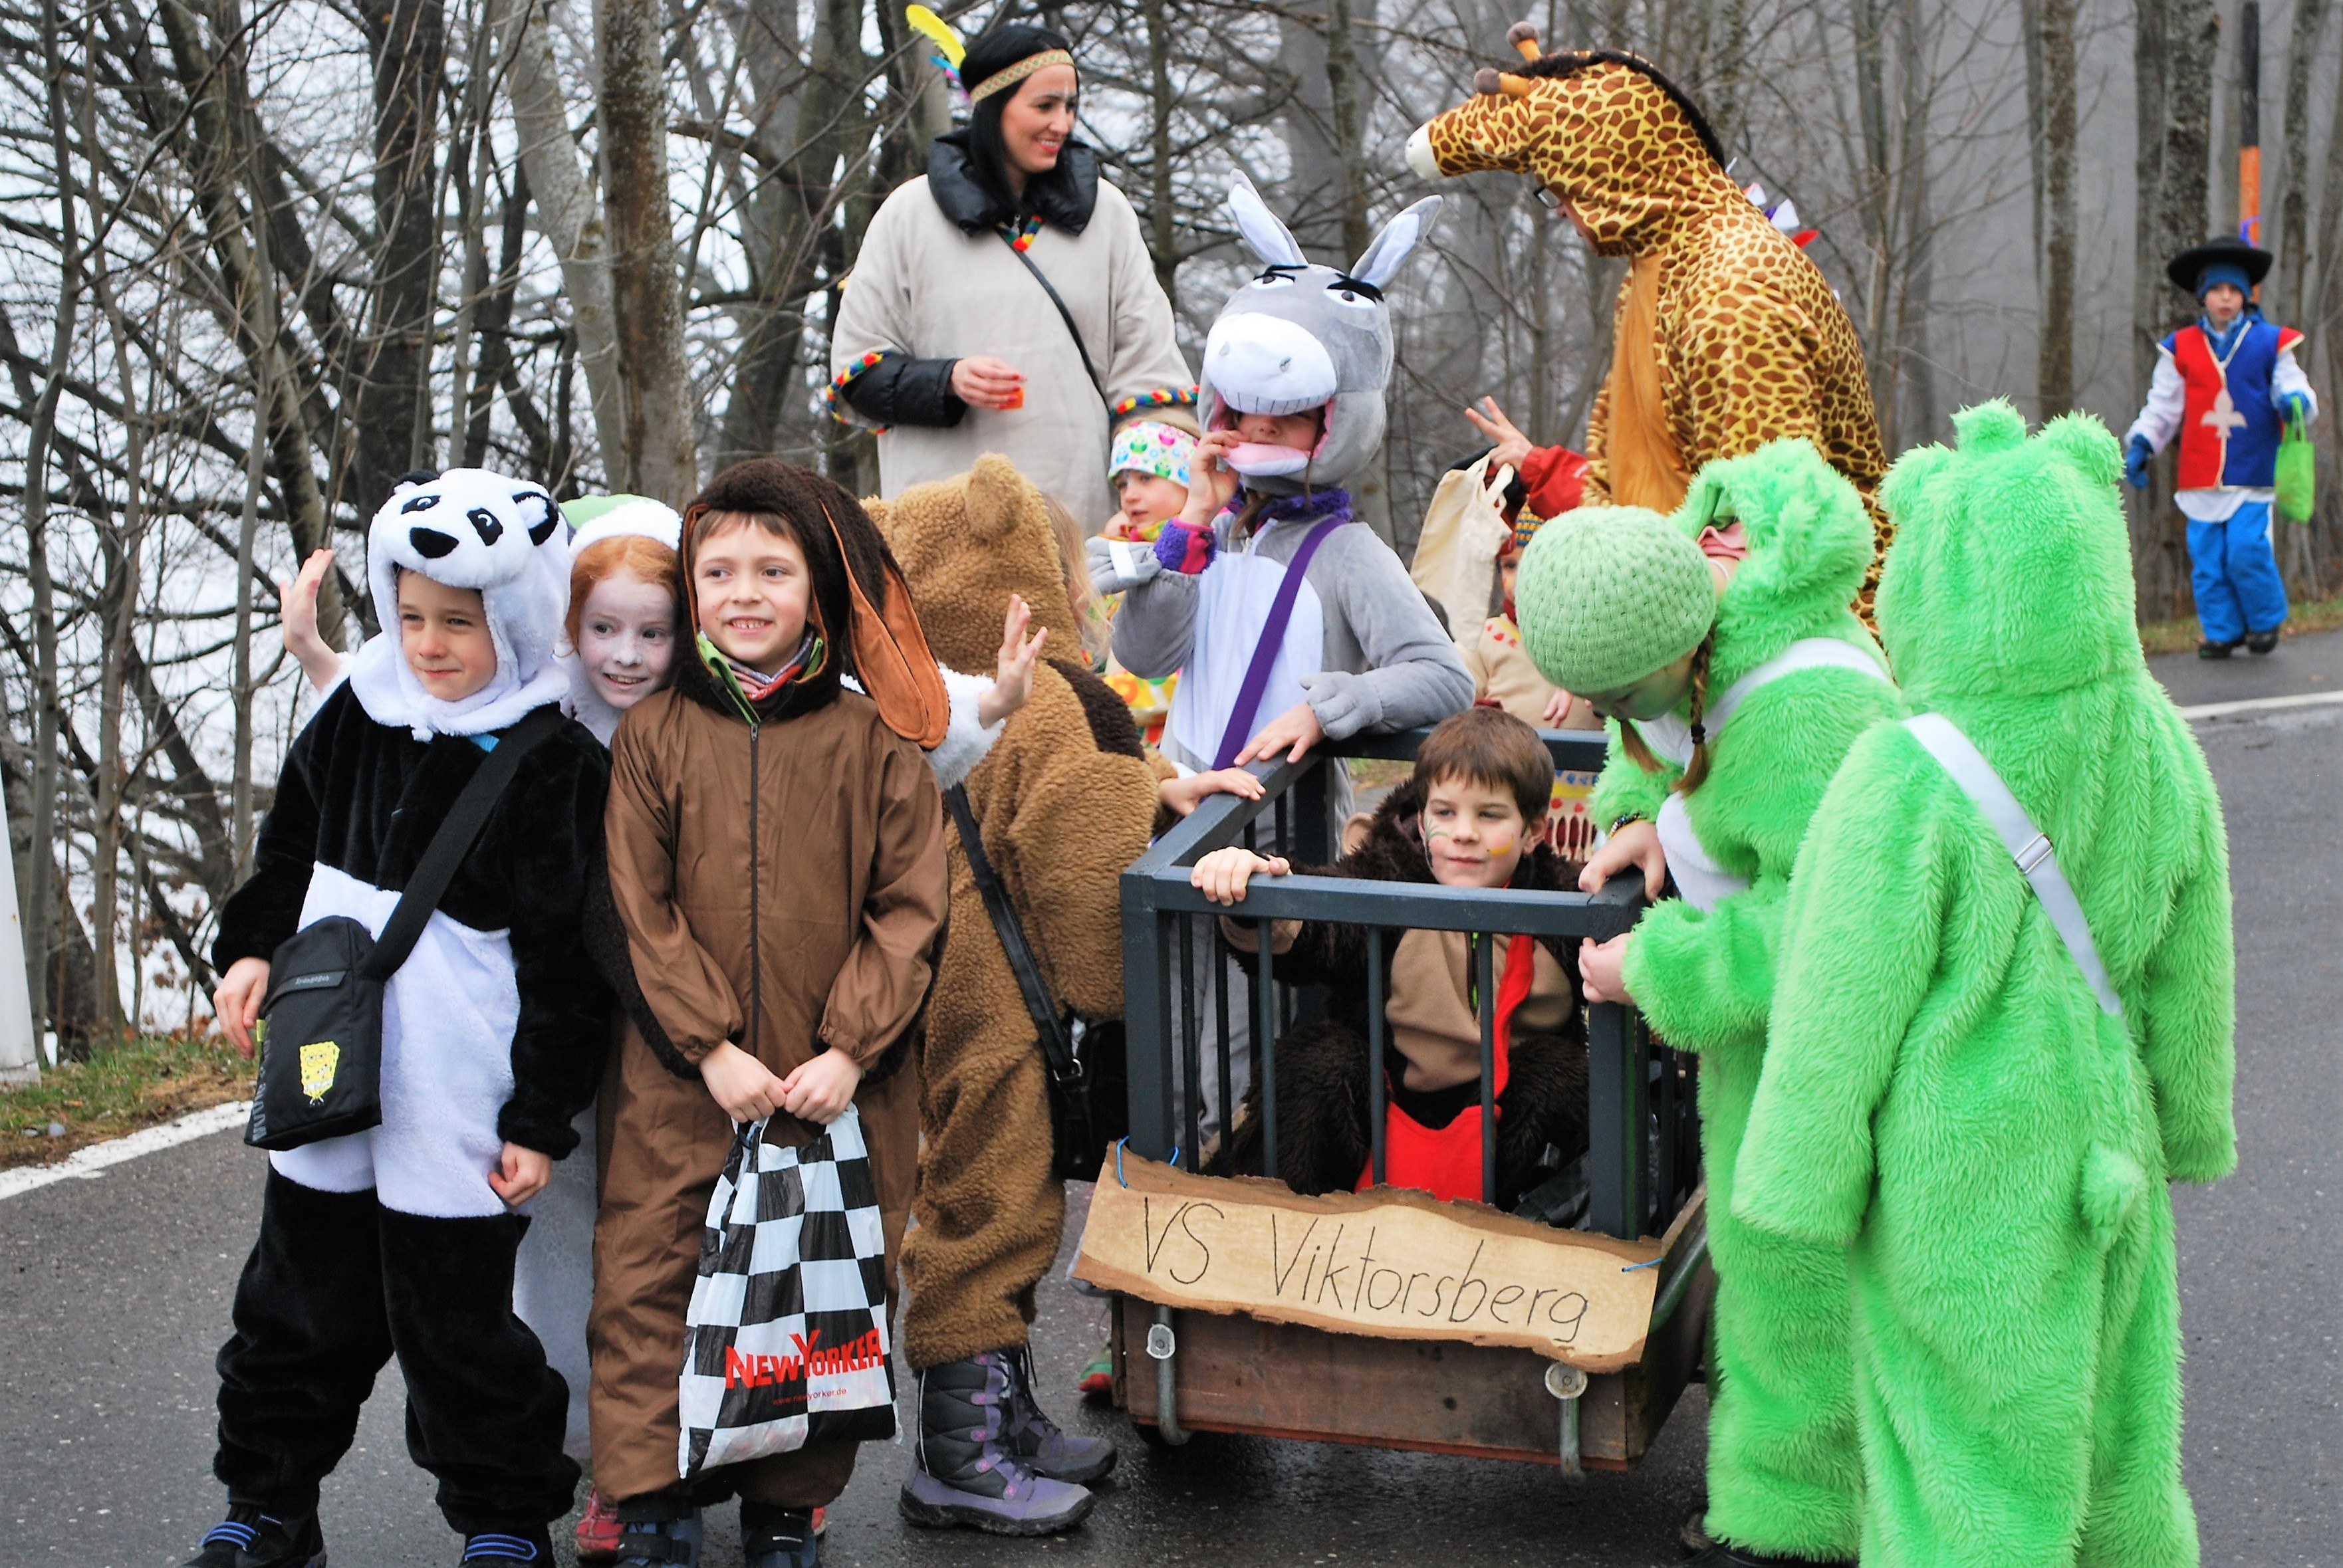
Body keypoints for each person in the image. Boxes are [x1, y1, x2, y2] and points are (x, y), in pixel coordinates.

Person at [1736, 403, 2236, 1567]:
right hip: (2108, 1140)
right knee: (2118, 1448)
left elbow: (1838, 999)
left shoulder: (1902, 769)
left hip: (1959, 1158)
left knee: (1963, 1462)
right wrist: (2187, 1120)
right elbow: (2193, 961)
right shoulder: (2159, 738)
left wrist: (1799, 1178)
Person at [193, 469, 610, 1568]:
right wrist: (249, 949)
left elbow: (567, 970)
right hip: (328, 1066)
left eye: (458, 622)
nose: (428, 643)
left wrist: (536, 1119)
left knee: (455, 1323)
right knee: (294, 1304)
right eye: (412, 614)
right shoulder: (355, 707)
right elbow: (287, 851)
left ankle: (506, 1521)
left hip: (456, 1091)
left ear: (514, 614)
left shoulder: (555, 758)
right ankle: (268, 1507)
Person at [1515, 439, 1907, 1568]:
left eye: (1622, 694)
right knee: (1775, 1255)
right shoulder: (1695, 641)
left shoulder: (1808, 711)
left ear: (1686, 639)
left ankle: (1796, 1518)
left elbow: (1836, 930)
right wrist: (1645, 816)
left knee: (1793, 1264)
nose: (1609, 716)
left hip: (1836, 1047)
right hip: (1779, 1043)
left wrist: (1654, 969)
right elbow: (1659, 747)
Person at [862, 452, 1260, 1533]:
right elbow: (1087, 888)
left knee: (965, 1191)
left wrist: (1158, 782)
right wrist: (1123, 980)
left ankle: (1003, 1414)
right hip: (1001, 1003)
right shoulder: (1047, 699)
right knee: (990, 1209)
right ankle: (961, 1453)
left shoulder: (922, 694)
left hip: (926, 984)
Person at [590, 461, 951, 1568]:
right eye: (718, 571)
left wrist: (849, 1047)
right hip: (681, 1082)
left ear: (818, 590)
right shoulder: (653, 733)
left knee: (820, 1280)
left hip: (830, 1085)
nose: (743, 592)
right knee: (653, 1274)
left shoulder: (871, 741)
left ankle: (787, 1504)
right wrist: (707, 1044)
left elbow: (909, 907)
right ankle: (653, 1500)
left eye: (773, 570)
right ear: (690, 585)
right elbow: (638, 904)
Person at [1406, 29, 1893, 610]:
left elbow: (1776, 536)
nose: (1560, 209)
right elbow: (1628, 489)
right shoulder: (1655, 274)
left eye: (1561, 186)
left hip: (1792, 646)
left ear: (1609, 172)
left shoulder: (1731, 291)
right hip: (1683, 633)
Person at [1096, 173, 1471, 782]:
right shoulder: (1207, 536)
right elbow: (1144, 657)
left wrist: (1336, 706)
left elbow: (1446, 678)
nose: (1264, 426)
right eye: (1249, 409)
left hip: (1292, 825)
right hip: (1189, 814)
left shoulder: (1349, 552)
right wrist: (1192, 520)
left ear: (1332, 422)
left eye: (1292, 415)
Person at [1191, 706, 1591, 1208]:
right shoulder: (1387, 874)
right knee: (1318, 1062)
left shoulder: (1567, 899)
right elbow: (1322, 923)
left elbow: (1640, 940)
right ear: (1422, 821)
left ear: (1533, 832)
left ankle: (1556, 1240)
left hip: (1507, 1127)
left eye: (1489, 815)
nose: (1463, 832)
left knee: (1568, 1076)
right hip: (1383, 1114)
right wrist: (1255, 886)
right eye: (1445, 813)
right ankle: (1275, 1225)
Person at [828, 21, 1196, 527]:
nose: (1062, 124)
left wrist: (1160, 514)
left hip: (1082, 524)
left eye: (1070, 107)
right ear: (993, 106)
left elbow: (1149, 376)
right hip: (942, 532)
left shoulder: (1109, 215)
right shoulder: (906, 215)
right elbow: (857, 376)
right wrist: (947, 380)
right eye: (1044, 106)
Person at [2123, 234, 2316, 657]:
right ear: (2202, 296)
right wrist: (2142, 444)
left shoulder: (2271, 343)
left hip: (2254, 469)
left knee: (2246, 550)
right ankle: (2222, 631)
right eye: (2216, 290)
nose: (2225, 298)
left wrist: (2296, 401)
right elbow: (2163, 407)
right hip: (2200, 474)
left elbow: (2292, 384)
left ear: (2246, 295)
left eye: (2234, 290)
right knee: (2208, 560)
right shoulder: (2180, 348)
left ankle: (2263, 622)